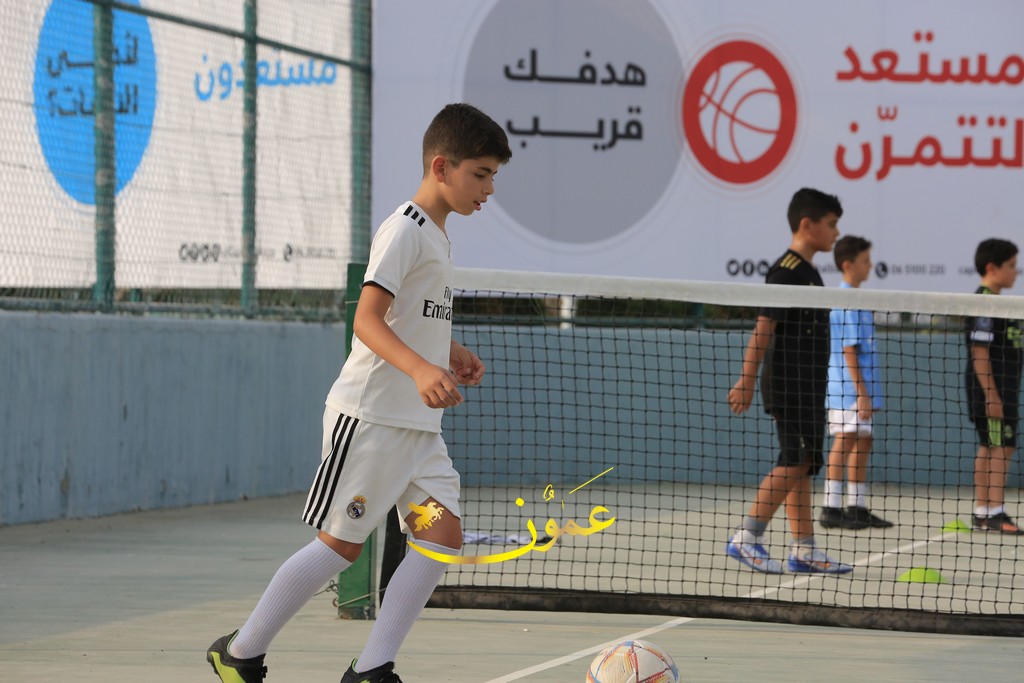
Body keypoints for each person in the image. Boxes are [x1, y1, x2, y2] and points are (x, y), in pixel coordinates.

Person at [206, 103, 512, 682]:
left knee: (441, 536)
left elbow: (407, 317)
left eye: (493, 175)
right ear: (441, 166)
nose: (489, 188)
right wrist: (420, 370)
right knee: (340, 546)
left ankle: (371, 669)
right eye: (481, 173)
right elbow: (367, 319)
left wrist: (448, 351)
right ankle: (239, 654)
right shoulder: (405, 229)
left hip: (418, 435)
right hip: (372, 424)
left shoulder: (438, 236)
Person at [726, 187, 853, 574]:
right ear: (807, 224)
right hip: (788, 384)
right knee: (794, 460)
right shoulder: (786, 271)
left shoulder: (810, 272)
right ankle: (747, 537)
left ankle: (804, 549)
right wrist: (746, 379)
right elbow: (763, 328)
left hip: (809, 385)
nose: (836, 233)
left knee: (804, 462)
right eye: (831, 224)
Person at [819, 235, 893, 530]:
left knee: (863, 440)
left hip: (861, 390)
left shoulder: (859, 298)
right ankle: (831, 507)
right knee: (845, 439)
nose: (870, 265)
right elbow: (848, 350)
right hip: (847, 391)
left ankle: (857, 506)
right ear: (848, 264)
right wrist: (862, 393)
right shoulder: (847, 300)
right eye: (865, 260)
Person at [965, 238, 1023, 535]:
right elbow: (979, 353)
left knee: (995, 446)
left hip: (1005, 391)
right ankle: (993, 512)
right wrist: (991, 396)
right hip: (993, 393)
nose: (1016, 271)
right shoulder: (985, 302)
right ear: (992, 268)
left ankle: (984, 512)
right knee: (999, 446)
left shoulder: (1000, 302)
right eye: (1011, 266)